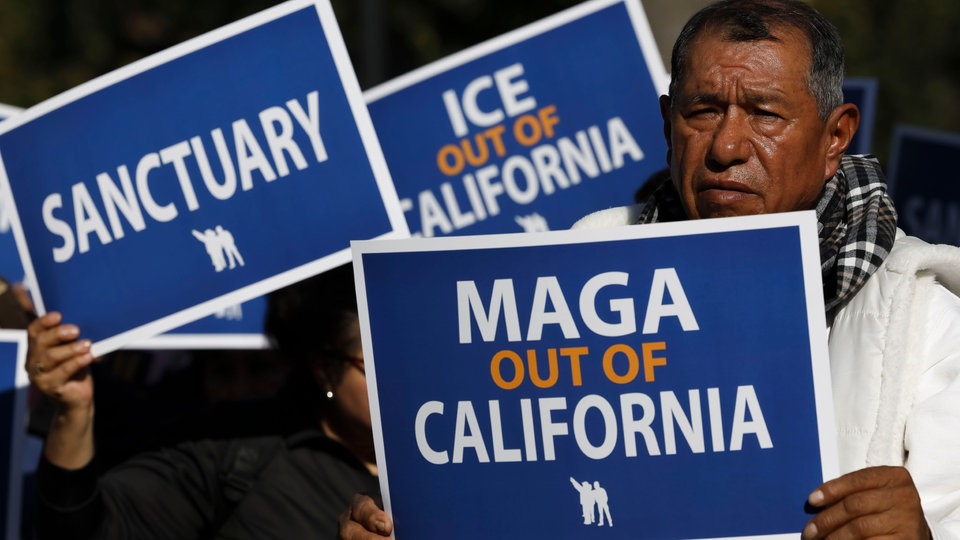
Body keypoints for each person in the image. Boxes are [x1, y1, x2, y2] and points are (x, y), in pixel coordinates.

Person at [338, 1, 960, 538]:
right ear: (667, 123)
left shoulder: (923, 321)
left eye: (765, 114)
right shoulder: (571, 274)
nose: (727, 147)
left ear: (835, 136)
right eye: (704, 111)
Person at [27, 263, 381, 539]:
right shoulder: (236, 451)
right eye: (376, 365)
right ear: (324, 371)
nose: (398, 381)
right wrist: (73, 413)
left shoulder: (437, 466)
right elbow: (87, 531)